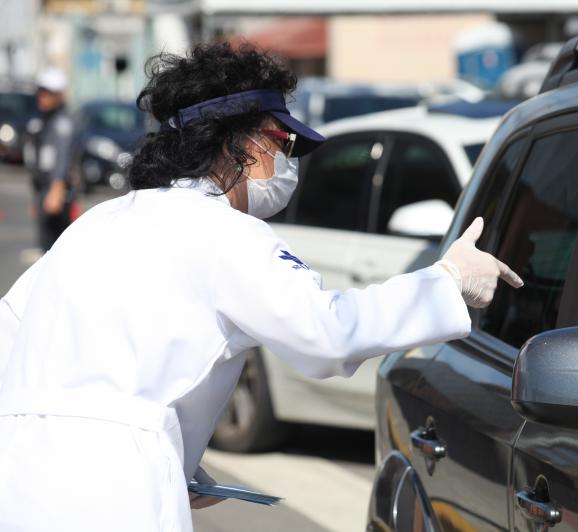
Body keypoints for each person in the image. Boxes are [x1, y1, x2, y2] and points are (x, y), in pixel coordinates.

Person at [0, 43, 522, 531]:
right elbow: (328, 333)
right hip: (114, 496)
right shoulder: (224, 231)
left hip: (18, 480)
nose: (291, 159)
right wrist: (448, 282)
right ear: (236, 144)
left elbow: (12, 334)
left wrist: (161, 435)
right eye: (284, 140)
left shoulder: (100, 221)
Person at [22, 67, 78, 251]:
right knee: (45, 245)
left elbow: (62, 158)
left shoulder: (62, 124)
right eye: (41, 91)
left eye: (47, 93)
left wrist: (55, 190)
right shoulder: (44, 121)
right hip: (43, 191)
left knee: (55, 248)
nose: (42, 96)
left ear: (58, 95)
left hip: (56, 194)